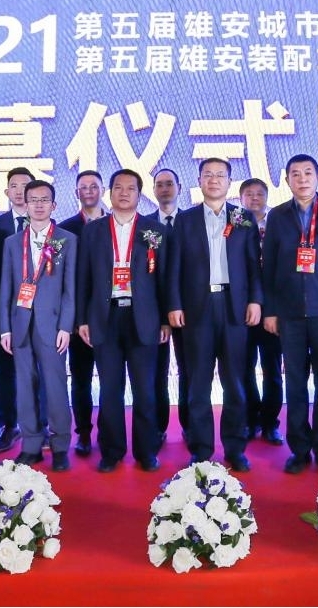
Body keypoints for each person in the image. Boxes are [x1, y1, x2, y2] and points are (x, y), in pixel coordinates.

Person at [168, 159, 263, 471]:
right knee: (197, 382)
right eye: (207, 174)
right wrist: (174, 304)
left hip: (235, 305)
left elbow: (254, 265)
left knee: (236, 381)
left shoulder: (243, 218)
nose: (213, 179)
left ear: (229, 181)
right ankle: (201, 449)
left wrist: (255, 301)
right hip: (197, 308)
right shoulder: (185, 219)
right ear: (199, 180)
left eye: (220, 175)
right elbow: (174, 267)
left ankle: (235, 448)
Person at [262, 154, 318, 475]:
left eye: (308, 173)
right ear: (287, 180)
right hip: (289, 313)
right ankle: (299, 449)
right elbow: (269, 267)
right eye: (295, 174)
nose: (302, 179)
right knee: (296, 383)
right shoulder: (277, 216)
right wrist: (270, 310)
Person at [76, 169, 168, 473]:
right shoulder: (93, 231)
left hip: (144, 318)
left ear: (139, 194)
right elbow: (83, 278)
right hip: (105, 317)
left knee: (145, 390)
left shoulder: (155, 231)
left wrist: (165, 319)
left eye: (131, 188)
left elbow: (165, 278)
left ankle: (146, 451)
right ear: (110, 193)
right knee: (110, 390)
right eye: (118, 187)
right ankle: (111, 451)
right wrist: (82, 319)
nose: (124, 193)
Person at [0, 180, 77, 472]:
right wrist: (4, 328)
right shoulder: (12, 242)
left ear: (54, 205)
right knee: (24, 386)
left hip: (53, 325)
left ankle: (60, 446)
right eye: (33, 200)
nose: (39, 205)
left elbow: (70, 288)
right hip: (20, 324)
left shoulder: (66, 240)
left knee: (56, 387)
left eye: (45, 200)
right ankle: (31, 445)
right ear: (25, 203)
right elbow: (6, 288)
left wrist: (66, 326)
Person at [0, 168, 34, 453]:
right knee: (5, 372)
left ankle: (39, 425)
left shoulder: (47, 224)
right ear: (7, 192)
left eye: (24, 185)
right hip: (3, 311)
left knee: (37, 371)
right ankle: (10, 424)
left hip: (38, 311)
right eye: (13, 185)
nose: (19, 190)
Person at [59, 170, 107, 456]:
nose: (88, 191)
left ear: (103, 190)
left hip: (111, 315)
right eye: (83, 187)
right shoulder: (65, 229)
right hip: (79, 319)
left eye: (94, 186)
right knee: (80, 379)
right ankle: (84, 434)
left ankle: (109, 433)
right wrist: (74, 320)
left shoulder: (118, 223)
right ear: (76, 193)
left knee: (111, 380)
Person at [239, 177, 283, 444]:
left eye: (259, 194)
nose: (254, 198)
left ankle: (270, 423)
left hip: (272, 309)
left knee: (272, 369)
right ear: (240, 198)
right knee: (244, 368)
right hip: (241, 308)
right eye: (249, 194)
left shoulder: (278, 224)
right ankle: (250, 419)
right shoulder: (234, 226)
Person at [146, 167, 186, 449]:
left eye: (169, 183)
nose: (164, 189)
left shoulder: (192, 221)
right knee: (157, 373)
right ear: (153, 190)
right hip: (154, 312)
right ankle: (158, 428)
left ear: (179, 188)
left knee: (188, 370)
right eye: (159, 184)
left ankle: (189, 426)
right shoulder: (145, 225)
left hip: (188, 310)